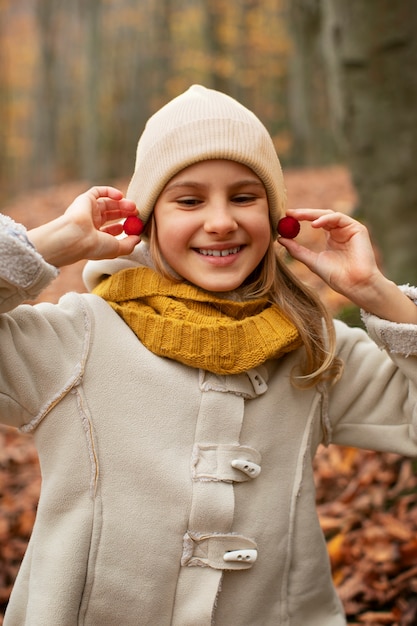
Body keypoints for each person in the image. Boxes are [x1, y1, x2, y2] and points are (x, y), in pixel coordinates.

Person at [1, 84, 417, 626]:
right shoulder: (74, 339)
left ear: (276, 217)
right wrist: (54, 241)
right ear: (145, 219)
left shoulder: (312, 349)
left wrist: (377, 293)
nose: (221, 221)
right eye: (189, 200)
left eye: (245, 197)